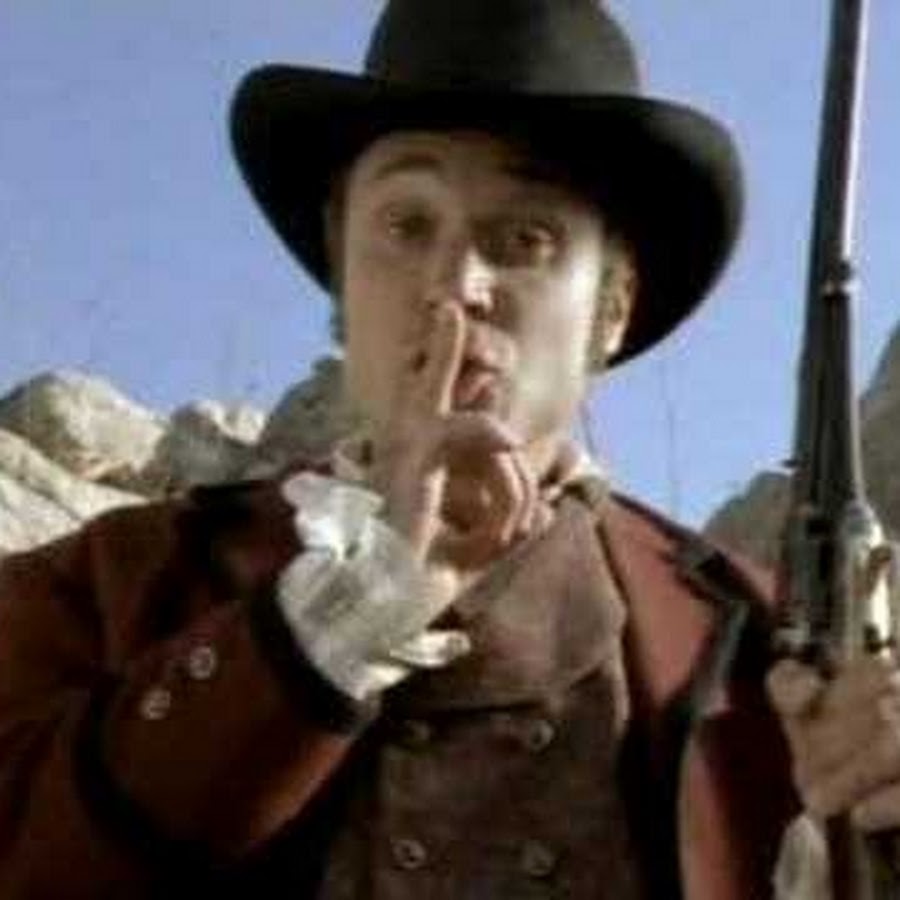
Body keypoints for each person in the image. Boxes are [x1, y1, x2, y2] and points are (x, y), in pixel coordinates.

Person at [1, 1, 899, 897]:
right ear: (342, 268)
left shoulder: (754, 646)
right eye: (406, 226)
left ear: (612, 306)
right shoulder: (104, 585)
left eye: (526, 239)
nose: (457, 285)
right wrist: (329, 628)